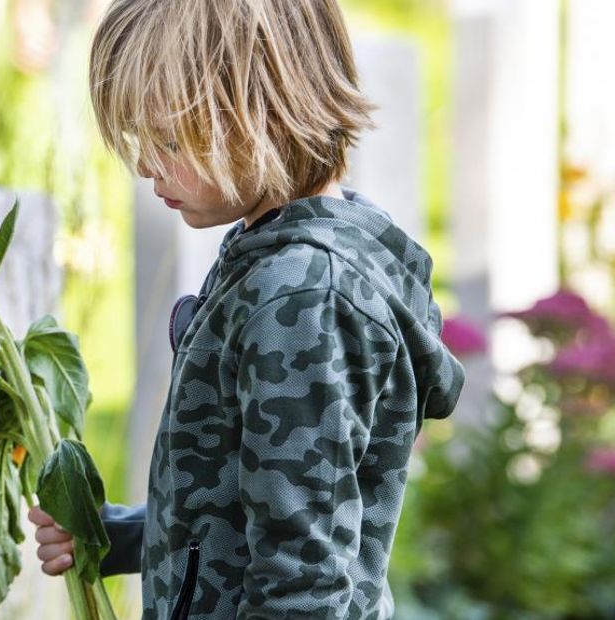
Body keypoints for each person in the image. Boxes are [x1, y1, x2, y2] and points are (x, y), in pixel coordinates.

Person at [29, 1, 465, 618]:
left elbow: (303, 584)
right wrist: (120, 536)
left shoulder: (300, 300)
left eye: (171, 139)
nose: (149, 167)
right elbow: (247, 504)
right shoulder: (278, 257)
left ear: (261, 112)